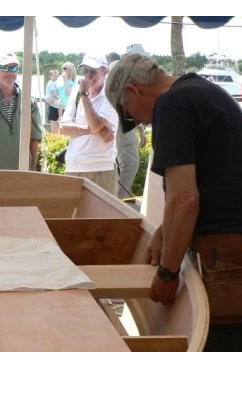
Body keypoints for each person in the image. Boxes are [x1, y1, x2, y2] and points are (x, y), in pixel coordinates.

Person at [105, 53, 242, 351]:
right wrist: (167, 228)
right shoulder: (199, 89)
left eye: (129, 114)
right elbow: (216, 176)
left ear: (133, 90)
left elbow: (186, 200)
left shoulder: (172, 105)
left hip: (226, 257)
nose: (138, 121)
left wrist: (168, 273)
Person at [59, 54, 118, 195]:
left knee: (104, 217)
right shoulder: (77, 91)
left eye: (93, 71)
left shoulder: (112, 94)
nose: (88, 76)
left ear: (105, 71)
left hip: (102, 168)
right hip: (74, 167)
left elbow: (96, 124)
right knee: (74, 217)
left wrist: (84, 95)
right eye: (85, 71)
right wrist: (93, 130)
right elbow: (63, 128)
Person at [0, 51, 42, 171]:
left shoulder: (29, 102)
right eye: (5, 68)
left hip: (23, 173)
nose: (10, 72)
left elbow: (34, 140)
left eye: (14, 68)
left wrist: (33, 169)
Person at [106, 52, 147, 199]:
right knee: (130, 163)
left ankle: (122, 198)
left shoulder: (117, 71)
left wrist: (141, 129)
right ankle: (117, 199)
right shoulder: (118, 69)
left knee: (124, 164)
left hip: (123, 122)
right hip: (121, 123)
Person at [45, 69, 61, 134]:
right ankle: (60, 116)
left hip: (50, 99)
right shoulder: (52, 83)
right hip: (51, 99)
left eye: (57, 76)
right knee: (61, 105)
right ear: (50, 76)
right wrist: (57, 97)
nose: (56, 77)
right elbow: (53, 91)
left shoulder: (51, 82)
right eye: (54, 76)